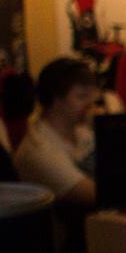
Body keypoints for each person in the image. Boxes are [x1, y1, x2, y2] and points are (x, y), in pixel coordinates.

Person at [14, 57, 99, 206]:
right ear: (55, 99)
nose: (90, 104)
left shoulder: (82, 130)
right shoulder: (39, 150)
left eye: (91, 97)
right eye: (81, 97)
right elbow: (95, 193)